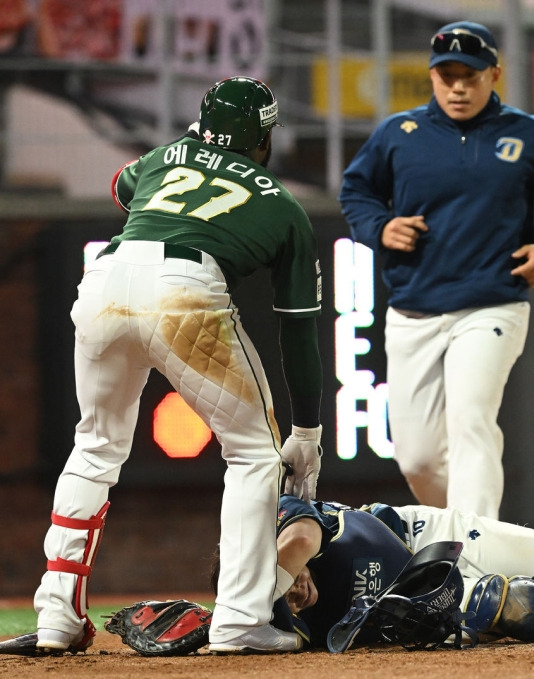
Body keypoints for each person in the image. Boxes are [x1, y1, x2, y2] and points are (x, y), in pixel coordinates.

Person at [33, 76, 323, 655]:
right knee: (252, 453)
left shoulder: (166, 157)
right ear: (262, 139)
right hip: (184, 289)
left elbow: (124, 189)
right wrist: (307, 430)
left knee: (93, 447)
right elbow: (298, 327)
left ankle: (56, 619)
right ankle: (240, 621)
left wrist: (194, 151)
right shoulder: (283, 203)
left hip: (106, 278)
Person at [338, 20, 534, 518]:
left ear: (494, 74)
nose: (457, 87)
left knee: (471, 421)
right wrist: (380, 228)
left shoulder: (528, 134)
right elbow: (356, 191)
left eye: (469, 76)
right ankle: (473, 534)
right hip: (414, 308)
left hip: (492, 302)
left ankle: (472, 556)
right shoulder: (399, 133)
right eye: (446, 75)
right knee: (418, 458)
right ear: (431, 76)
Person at [209, 493, 534, 650]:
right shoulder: (278, 626)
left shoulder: (282, 518)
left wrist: (268, 589)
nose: (293, 594)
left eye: (280, 582)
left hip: (424, 534)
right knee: (516, 606)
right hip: (420, 596)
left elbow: (299, 543)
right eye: (280, 599)